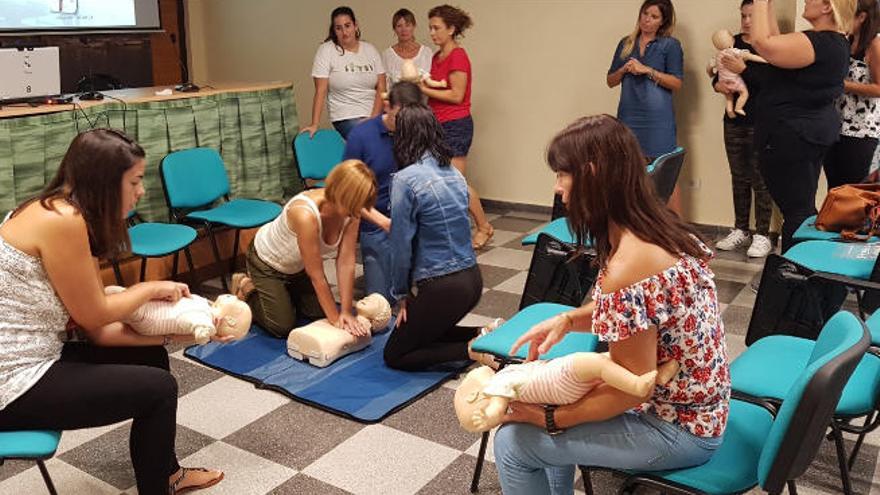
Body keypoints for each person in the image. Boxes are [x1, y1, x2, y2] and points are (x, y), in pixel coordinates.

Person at [492, 115, 729, 495]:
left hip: (679, 429)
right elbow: (643, 316)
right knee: (555, 407)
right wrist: (569, 319)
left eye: (561, 176)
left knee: (513, 443)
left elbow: (632, 389)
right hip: (699, 411)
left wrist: (549, 418)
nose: (557, 189)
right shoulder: (660, 227)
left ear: (591, 174)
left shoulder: (629, 264)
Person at [0, 129, 224, 495]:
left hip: (31, 359)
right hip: (10, 384)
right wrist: (150, 288)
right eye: (135, 181)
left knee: (151, 358)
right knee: (159, 389)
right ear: (105, 182)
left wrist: (189, 332)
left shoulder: (60, 210)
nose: (141, 191)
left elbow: (99, 331)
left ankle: (166, 475)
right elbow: (97, 315)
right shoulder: (62, 221)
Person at [383, 104, 486, 371]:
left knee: (395, 355)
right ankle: (486, 334)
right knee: (427, 334)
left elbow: (400, 245)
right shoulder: (454, 173)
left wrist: (402, 294)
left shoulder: (405, 180)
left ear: (402, 136)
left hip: (443, 286)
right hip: (472, 279)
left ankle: (475, 351)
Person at [750, 0, 854, 252]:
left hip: (794, 135)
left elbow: (762, 43)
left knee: (797, 211)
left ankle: (796, 277)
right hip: (804, 133)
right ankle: (799, 275)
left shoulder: (821, 43)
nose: (806, 1)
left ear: (828, 7)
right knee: (800, 207)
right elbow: (772, 42)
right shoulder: (829, 43)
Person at [235, 160, 376, 338]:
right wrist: (335, 320)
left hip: (298, 268)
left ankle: (283, 296)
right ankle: (247, 288)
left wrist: (346, 312)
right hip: (267, 264)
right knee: (282, 326)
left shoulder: (351, 212)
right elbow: (316, 275)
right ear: (340, 194)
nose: (360, 210)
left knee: (317, 311)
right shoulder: (305, 214)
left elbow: (346, 262)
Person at [420, 4, 495, 250]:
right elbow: (440, 85)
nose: (432, 33)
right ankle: (452, 232)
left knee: (455, 182)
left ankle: (483, 225)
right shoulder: (436, 56)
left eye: (437, 28)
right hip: (437, 124)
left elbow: (456, 94)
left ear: (451, 29)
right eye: (430, 27)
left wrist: (422, 88)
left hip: (456, 124)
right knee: (441, 181)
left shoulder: (457, 56)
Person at [343, 81, 423, 302]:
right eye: (400, 118)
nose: (406, 125)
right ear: (387, 106)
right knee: (381, 304)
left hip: (409, 220)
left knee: (426, 293)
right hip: (374, 222)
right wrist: (384, 223)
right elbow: (347, 194)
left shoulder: (416, 132)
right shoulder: (361, 135)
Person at [712, 0, 775, 258]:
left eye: (751, 16)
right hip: (733, 122)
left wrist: (744, 69)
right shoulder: (731, 42)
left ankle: (762, 234)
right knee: (738, 177)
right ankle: (741, 229)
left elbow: (770, 82)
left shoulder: (768, 46)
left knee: (761, 179)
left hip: (760, 122)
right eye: (743, 16)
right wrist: (719, 86)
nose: (747, 21)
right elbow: (718, 76)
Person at [301, 6, 386, 139]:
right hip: (346, 115)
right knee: (368, 137)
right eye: (338, 28)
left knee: (400, 134)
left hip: (375, 112)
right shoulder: (326, 50)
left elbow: (382, 86)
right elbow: (321, 90)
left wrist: (373, 118)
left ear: (355, 25)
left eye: (347, 26)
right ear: (334, 30)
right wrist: (315, 124)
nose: (344, 32)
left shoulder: (370, 50)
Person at [824, 0, 880, 189]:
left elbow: (879, 88)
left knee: (851, 193)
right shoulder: (846, 41)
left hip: (860, 131)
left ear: (862, 17)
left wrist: (844, 85)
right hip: (835, 126)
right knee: (835, 189)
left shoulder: (874, 45)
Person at [383, 8, 434, 88]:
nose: (404, 30)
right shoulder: (387, 55)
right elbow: (385, 85)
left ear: (414, 26)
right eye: (399, 26)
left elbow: (431, 81)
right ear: (394, 29)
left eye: (407, 25)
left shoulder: (426, 52)